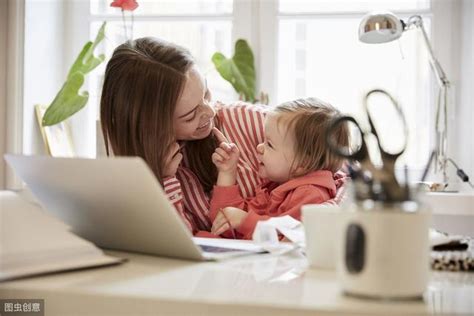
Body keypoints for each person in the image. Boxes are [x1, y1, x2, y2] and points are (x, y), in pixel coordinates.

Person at [100, 37, 347, 235]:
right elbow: (180, 243)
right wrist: (167, 181)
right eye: (190, 115)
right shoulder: (138, 174)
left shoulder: (250, 122)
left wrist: (315, 220)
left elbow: (343, 172)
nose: (210, 111)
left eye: (206, 94)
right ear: (151, 125)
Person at [209, 98, 349, 239]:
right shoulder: (277, 185)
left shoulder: (310, 193)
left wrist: (245, 220)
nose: (259, 147)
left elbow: (288, 236)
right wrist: (227, 172)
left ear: (303, 164)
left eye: (269, 144)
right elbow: (224, 224)